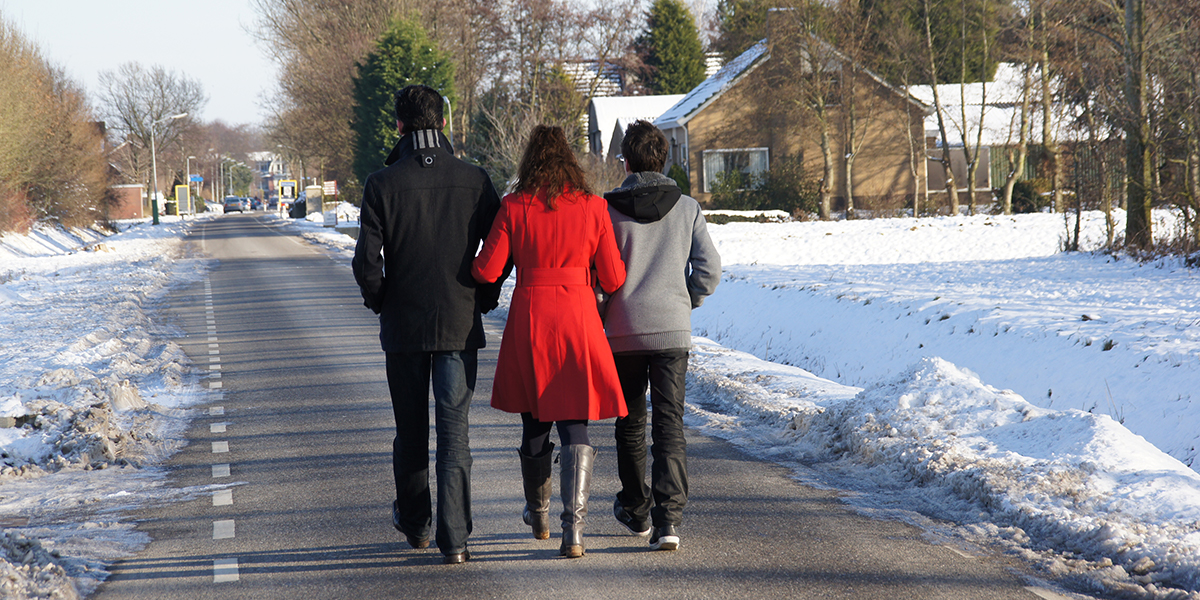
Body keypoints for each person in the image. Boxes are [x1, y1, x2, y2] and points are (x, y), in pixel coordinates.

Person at [351, 84, 505, 565]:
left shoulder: (381, 184)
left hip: (404, 328)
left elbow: (366, 264)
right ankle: (455, 540)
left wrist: (382, 302)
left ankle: (417, 524)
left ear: (398, 126)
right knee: (454, 434)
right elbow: (502, 248)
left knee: (411, 431)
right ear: (442, 123)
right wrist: (483, 297)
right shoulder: (476, 180)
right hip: (459, 326)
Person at [471, 124, 627, 559]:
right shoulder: (594, 207)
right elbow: (613, 277)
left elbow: (486, 270)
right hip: (578, 317)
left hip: (531, 317)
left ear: (529, 161)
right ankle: (573, 531)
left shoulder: (514, 206)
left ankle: (538, 512)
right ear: (570, 161)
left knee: (535, 418)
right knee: (575, 420)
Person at [601, 120, 721, 551]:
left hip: (624, 330)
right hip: (673, 329)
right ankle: (669, 521)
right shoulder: (687, 207)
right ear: (664, 158)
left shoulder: (607, 209)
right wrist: (686, 300)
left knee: (630, 422)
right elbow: (709, 270)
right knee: (670, 424)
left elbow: (597, 272)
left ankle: (636, 510)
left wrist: (604, 309)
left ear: (627, 161)